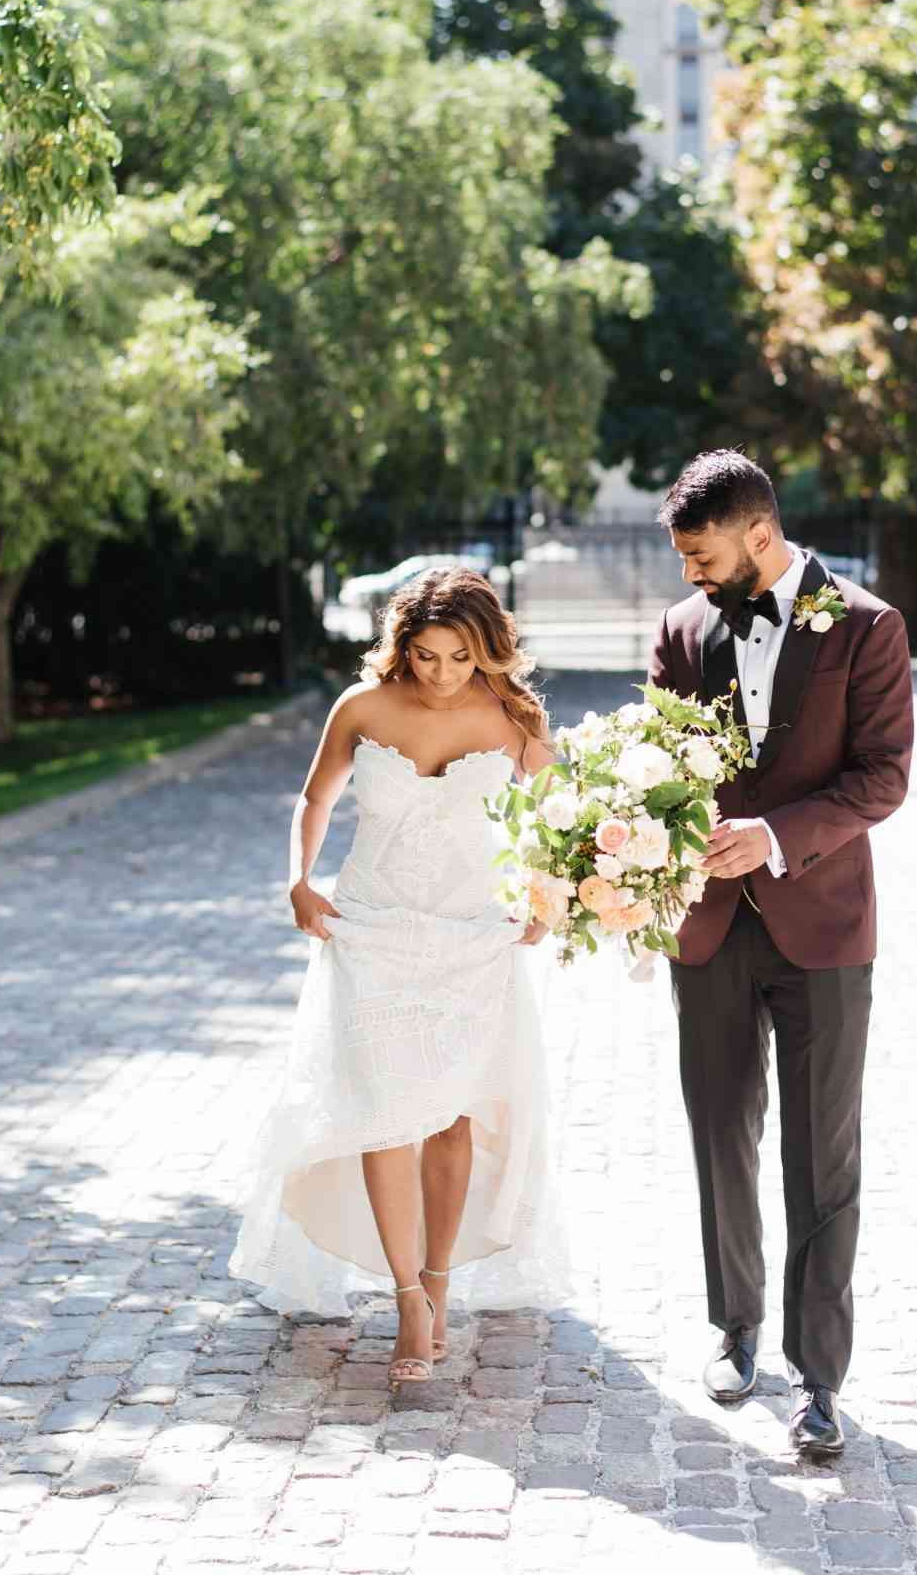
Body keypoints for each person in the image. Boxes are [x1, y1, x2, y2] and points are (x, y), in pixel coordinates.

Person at [228, 566, 570, 1386]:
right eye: (425, 656)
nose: (442, 674)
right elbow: (315, 800)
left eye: (460, 657)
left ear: (486, 650)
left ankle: (440, 1280)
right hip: (371, 932)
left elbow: (559, 820)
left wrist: (547, 894)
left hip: (471, 938)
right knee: (383, 1119)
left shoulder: (513, 715)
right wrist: (298, 879)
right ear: (401, 646)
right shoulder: (362, 708)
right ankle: (407, 1298)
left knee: (450, 1120)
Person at [647, 450, 914, 1458]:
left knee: (821, 1155)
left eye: (702, 555)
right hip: (707, 925)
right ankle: (736, 1327)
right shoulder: (682, 629)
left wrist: (773, 835)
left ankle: (820, 1378)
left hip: (824, 928)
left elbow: (883, 775)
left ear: (759, 534)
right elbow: (655, 763)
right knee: (720, 1131)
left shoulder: (869, 627)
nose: (690, 575)